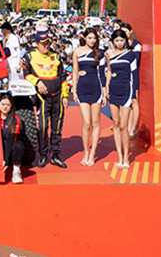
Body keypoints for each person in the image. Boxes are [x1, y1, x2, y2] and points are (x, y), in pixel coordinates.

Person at [22, 31, 69, 168]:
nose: (47, 45)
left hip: (58, 96)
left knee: (57, 128)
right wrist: (38, 82)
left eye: (48, 42)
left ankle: (55, 155)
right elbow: (26, 74)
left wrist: (65, 95)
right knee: (42, 127)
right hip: (42, 98)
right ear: (36, 44)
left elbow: (63, 77)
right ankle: (43, 155)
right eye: (43, 43)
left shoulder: (56, 55)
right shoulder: (30, 55)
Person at [105, 28, 140, 169]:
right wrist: (106, 88)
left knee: (124, 126)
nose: (119, 43)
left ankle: (126, 157)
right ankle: (120, 156)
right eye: (117, 41)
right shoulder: (108, 54)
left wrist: (133, 95)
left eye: (122, 40)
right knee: (117, 125)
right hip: (113, 91)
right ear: (113, 41)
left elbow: (134, 74)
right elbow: (108, 71)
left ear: (126, 41)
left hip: (126, 91)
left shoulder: (130, 55)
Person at [72, 28, 105, 166]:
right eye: (90, 38)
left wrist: (104, 92)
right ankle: (86, 151)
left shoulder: (99, 53)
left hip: (96, 89)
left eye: (94, 38)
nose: (92, 40)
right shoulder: (77, 52)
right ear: (84, 38)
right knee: (86, 123)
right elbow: (74, 72)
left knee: (95, 122)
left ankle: (93, 154)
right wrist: (73, 90)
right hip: (82, 89)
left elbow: (103, 74)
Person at [0, 93, 25, 184]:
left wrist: (7, 160)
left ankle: (16, 171)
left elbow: (10, 140)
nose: (5, 107)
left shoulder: (15, 119)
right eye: (3, 104)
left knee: (18, 146)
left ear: (11, 106)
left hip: (10, 147)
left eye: (8, 105)